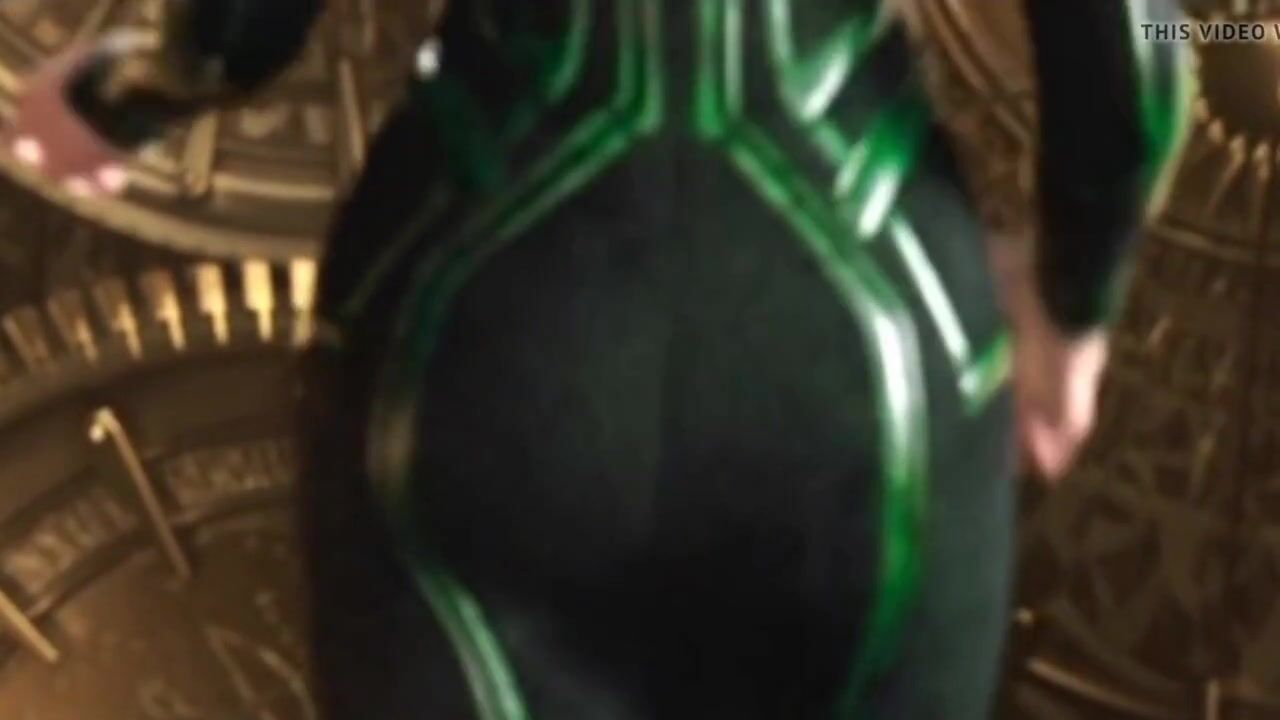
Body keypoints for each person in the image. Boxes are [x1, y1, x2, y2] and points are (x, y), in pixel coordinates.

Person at [5, 1, 1172, 717]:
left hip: (483, 314)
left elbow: (231, 33)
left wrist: (120, 99)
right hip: (861, 339)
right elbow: (1138, 53)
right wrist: (1072, 309)